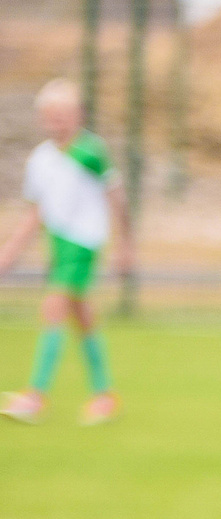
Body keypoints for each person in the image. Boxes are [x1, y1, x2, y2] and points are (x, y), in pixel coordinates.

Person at [1, 79, 129, 425]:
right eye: (51, 115)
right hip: (58, 243)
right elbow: (36, 212)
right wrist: (11, 251)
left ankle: (35, 396)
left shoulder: (90, 152)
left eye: (63, 114)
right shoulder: (40, 159)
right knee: (82, 317)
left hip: (84, 242)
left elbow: (116, 197)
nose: (57, 121)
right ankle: (104, 394)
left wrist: (124, 243)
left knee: (53, 307)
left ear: (78, 115)